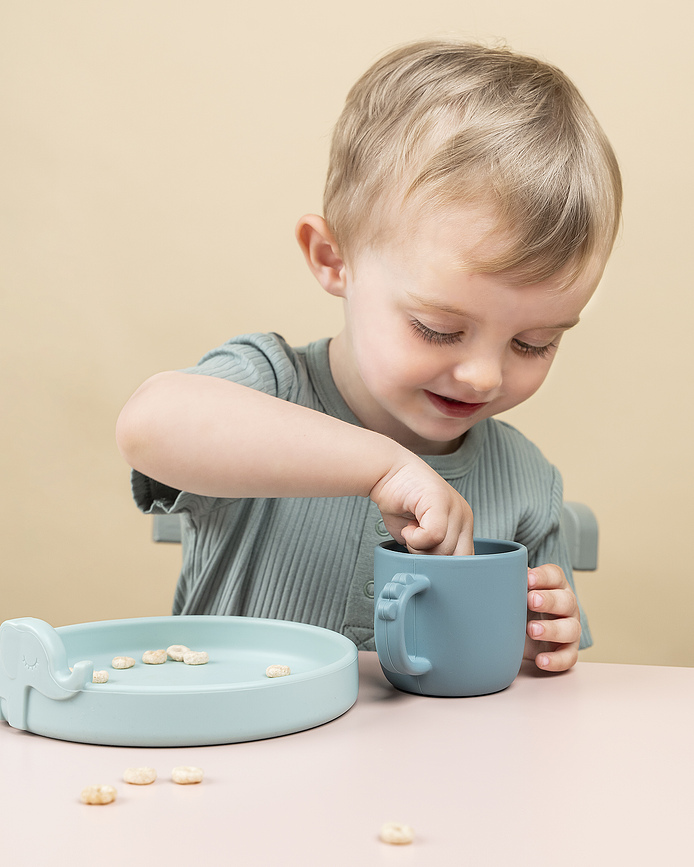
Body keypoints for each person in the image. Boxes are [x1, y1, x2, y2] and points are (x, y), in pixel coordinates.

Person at [116, 39, 622, 673]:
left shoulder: (524, 480)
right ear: (334, 260)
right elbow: (148, 425)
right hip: (236, 757)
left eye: (534, 343)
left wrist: (532, 646)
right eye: (438, 328)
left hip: (422, 771)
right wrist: (383, 467)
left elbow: (526, 689)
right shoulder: (265, 387)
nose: (484, 376)